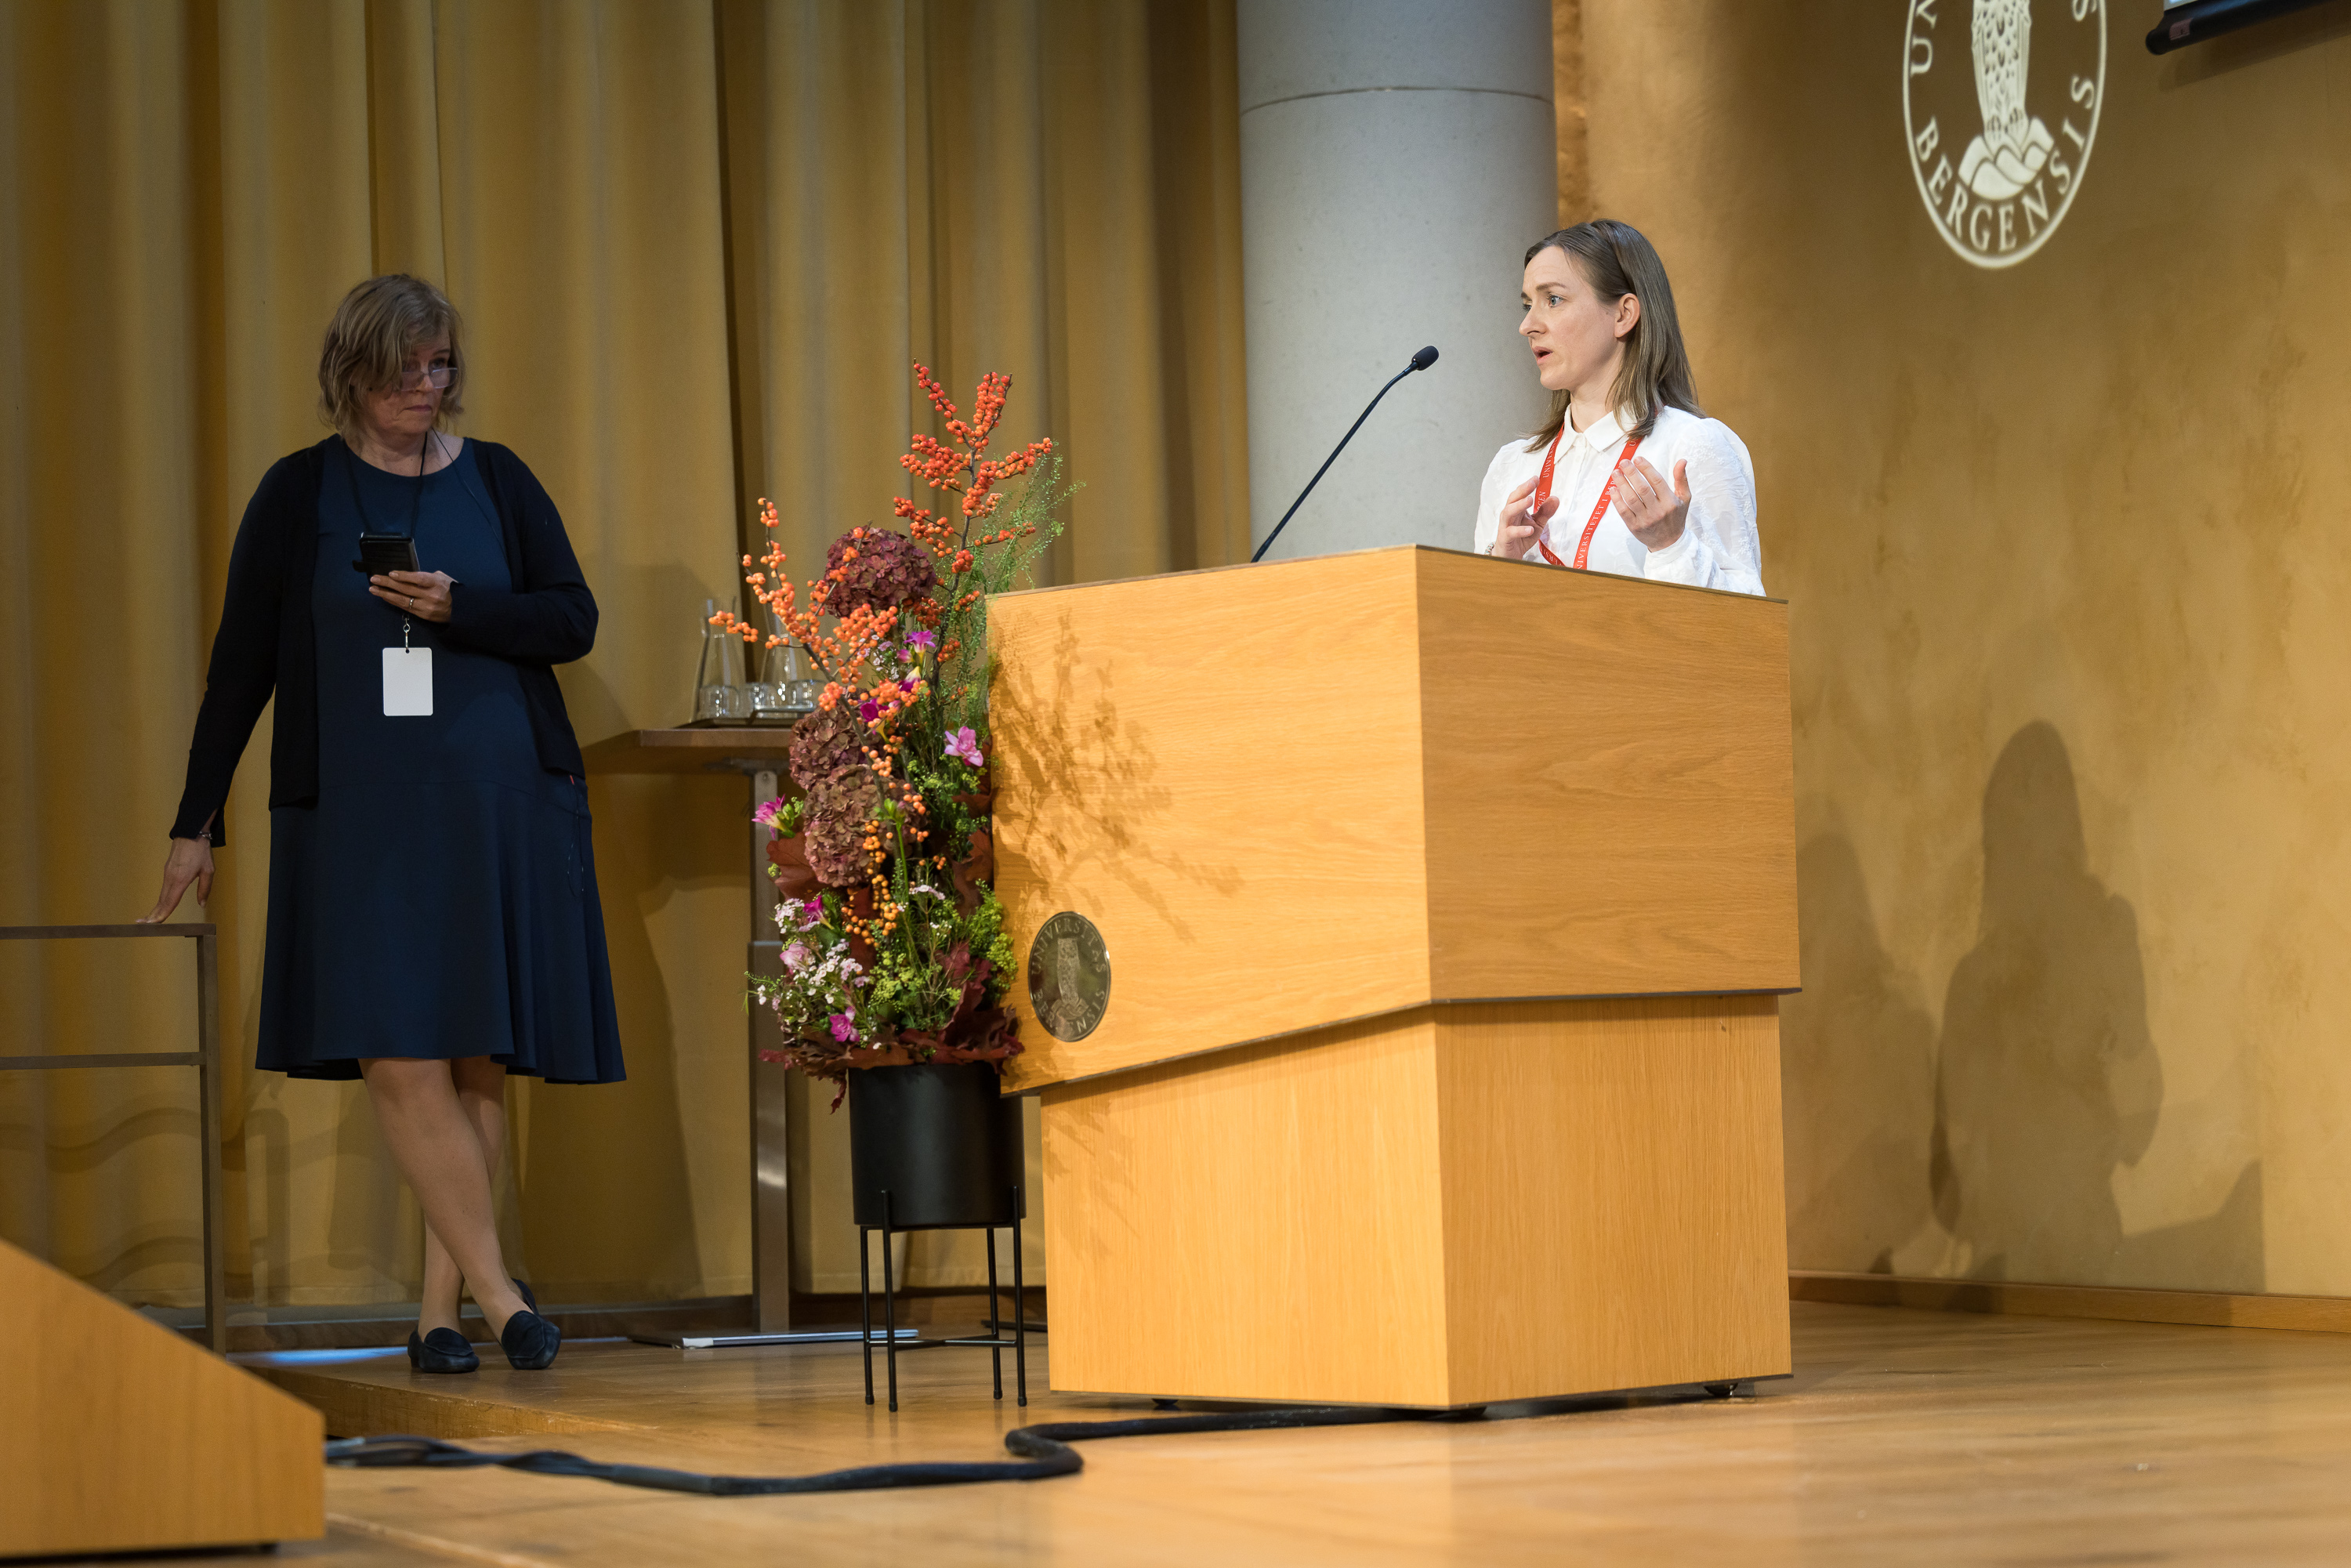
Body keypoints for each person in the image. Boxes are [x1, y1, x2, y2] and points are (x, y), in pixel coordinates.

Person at [139, 274, 623, 1374]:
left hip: (496, 800)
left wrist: (466, 609)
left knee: (475, 1059)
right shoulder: (297, 492)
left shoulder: (497, 478)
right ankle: (506, 1297)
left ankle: (439, 1313)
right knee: (399, 1057)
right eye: (405, 366)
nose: (426, 385)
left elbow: (572, 617)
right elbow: (240, 670)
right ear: (351, 370)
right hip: (359, 812)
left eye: (441, 364)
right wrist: (193, 819)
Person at [1473, 220, 1762, 596]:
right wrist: (1502, 572)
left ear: (1624, 314)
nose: (1527, 325)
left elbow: (1747, 629)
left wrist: (1671, 546)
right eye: (1528, 304)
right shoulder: (1511, 466)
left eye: (1553, 300)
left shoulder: (1693, 447)